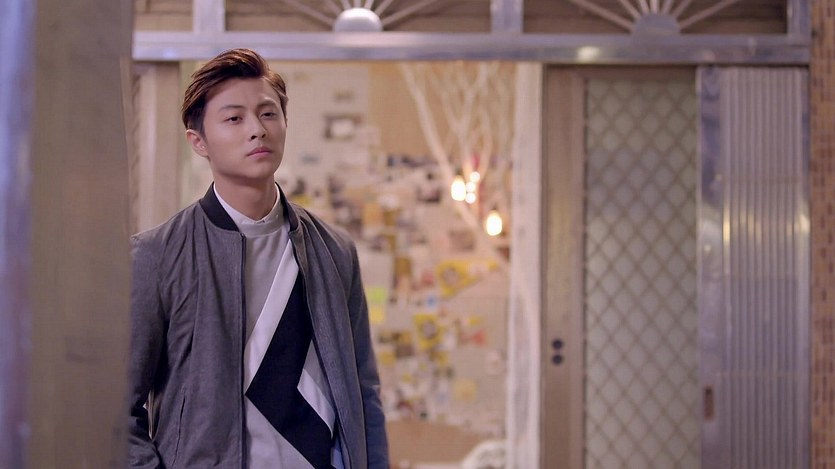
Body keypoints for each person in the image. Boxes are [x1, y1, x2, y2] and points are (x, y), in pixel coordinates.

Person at [127, 48, 388, 469]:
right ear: (198, 141)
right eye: (234, 119)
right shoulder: (156, 256)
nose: (257, 130)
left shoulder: (334, 251)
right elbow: (116, 412)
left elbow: (363, 392)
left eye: (268, 114)